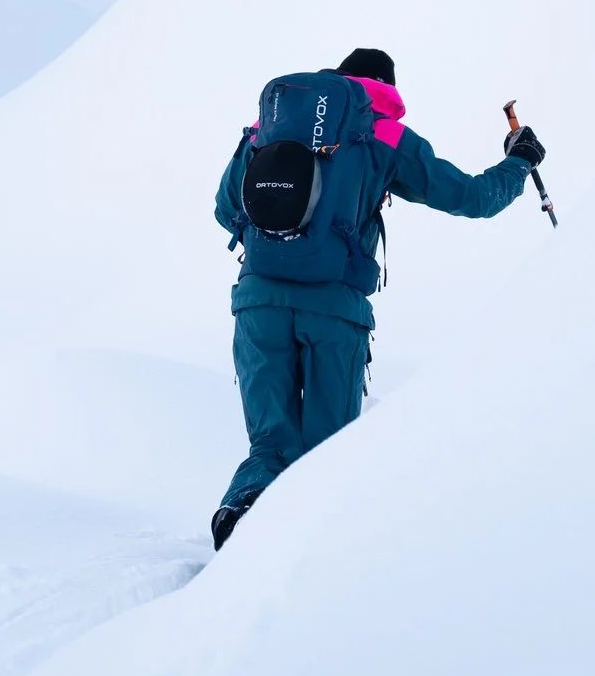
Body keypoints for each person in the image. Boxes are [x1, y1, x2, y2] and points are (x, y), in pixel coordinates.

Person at [209, 46, 546, 550]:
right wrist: (518, 162)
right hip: (334, 312)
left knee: (270, 445)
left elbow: (223, 208)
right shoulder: (383, 132)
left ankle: (242, 517)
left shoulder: (273, 125)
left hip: (257, 303)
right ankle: (300, 561)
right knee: (326, 452)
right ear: (386, 88)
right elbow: (474, 199)